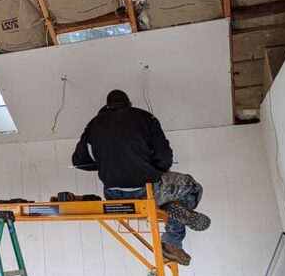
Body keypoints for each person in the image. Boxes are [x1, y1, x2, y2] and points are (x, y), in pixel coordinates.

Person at [71, 89, 209, 265]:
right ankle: (172, 240)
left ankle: (167, 204)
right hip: (147, 190)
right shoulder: (145, 118)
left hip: (113, 195)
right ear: (129, 103)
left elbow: (79, 161)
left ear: (106, 106)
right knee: (192, 187)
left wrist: (104, 164)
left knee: (168, 195)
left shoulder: (93, 125)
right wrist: (155, 171)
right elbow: (165, 157)